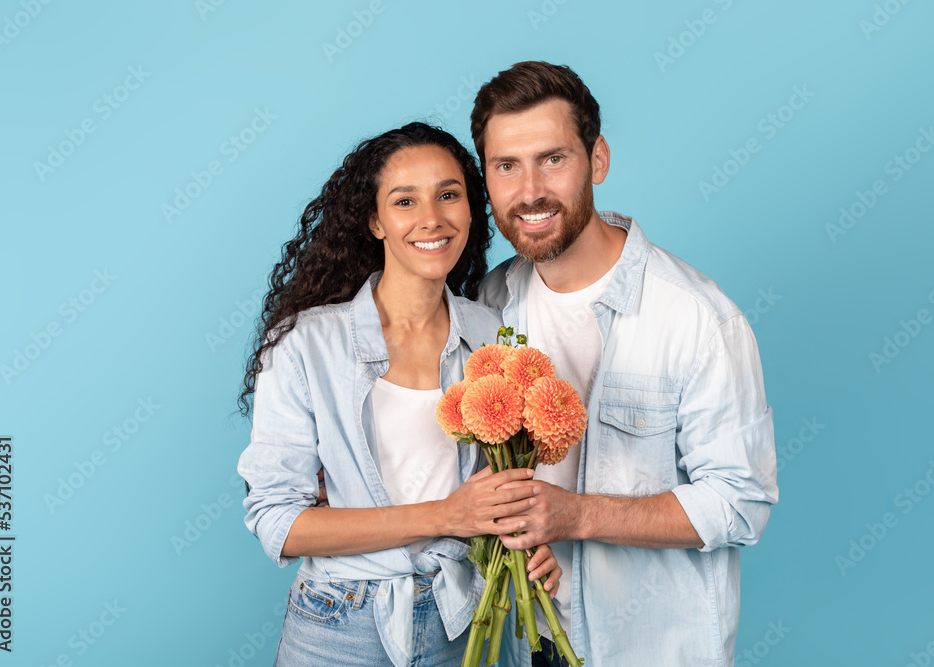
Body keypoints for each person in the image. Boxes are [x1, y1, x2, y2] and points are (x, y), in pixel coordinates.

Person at [471, 62, 779, 666]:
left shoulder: (697, 317)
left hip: (647, 649)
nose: (529, 190)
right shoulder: (489, 302)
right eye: (506, 166)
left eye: (552, 159)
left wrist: (576, 515)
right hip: (526, 641)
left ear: (598, 160)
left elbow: (741, 501)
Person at [236, 122, 562, 667]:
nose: (431, 218)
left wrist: (527, 541)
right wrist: (448, 515)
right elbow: (280, 524)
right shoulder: (304, 344)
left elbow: (498, 490)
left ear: (470, 208)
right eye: (405, 200)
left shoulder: (494, 333)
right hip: (339, 627)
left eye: (448, 195)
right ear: (375, 220)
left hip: (470, 619)